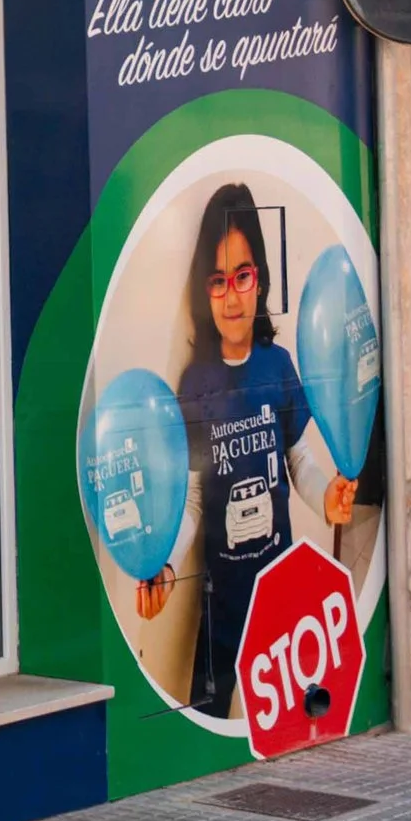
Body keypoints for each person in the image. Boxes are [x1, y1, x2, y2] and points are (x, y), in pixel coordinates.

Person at [133, 184, 357, 719]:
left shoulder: (277, 367)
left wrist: (326, 497)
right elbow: (190, 501)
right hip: (221, 598)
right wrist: (163, 566)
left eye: (242, 275)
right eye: (217, 281)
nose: (231, 296)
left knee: (291, 723)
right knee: (209, 719)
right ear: (202, 291)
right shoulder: (196, 384)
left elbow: (298, 460)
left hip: (282, 595)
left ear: (260, 279)